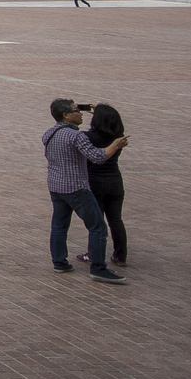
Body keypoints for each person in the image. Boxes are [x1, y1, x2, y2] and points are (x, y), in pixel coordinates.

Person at [42, 97, 128, 283]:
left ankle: (59, 262)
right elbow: (97, 157)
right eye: (76, 110)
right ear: (66, 115)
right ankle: (98, 268)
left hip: (56, 186)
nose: (80, 114)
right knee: (98, 227)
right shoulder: (76, 136)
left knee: (59, 225)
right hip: (76, 188)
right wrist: (115, 144)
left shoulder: (49, 133)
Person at [79, 103, 129, 270]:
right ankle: (120, 255)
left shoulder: (89, 137)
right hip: (115, 181)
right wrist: (102, 112)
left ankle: (93, 254)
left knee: (97, 222)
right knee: (115, 220)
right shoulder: (118, 137)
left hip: (96, 182)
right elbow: (110, 123)